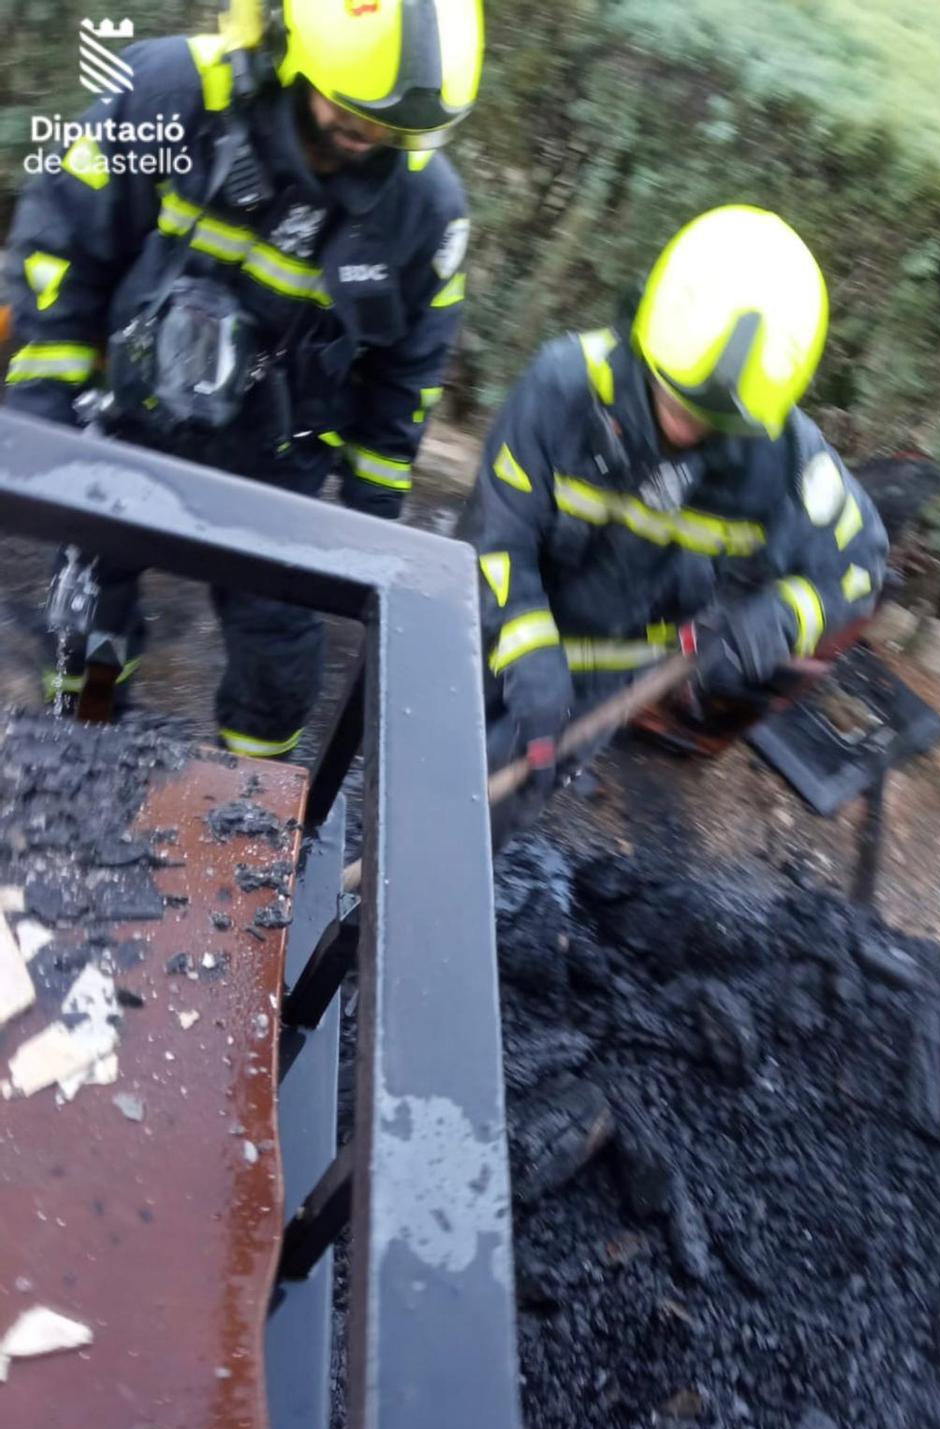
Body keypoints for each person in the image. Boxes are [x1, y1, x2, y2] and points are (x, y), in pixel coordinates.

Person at [6, 0, 483, 757]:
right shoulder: (169, 95)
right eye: (352, 112)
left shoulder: (425, 210)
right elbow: (59, 248)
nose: (372, 139)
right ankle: (86, 749)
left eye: (395, 128)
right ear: (287, 51)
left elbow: (407, 380)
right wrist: (42, 433)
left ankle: (251, 805)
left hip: (278, 466)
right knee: (89, 618)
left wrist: (370, 534)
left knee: (281, 666)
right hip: (127, 432)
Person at [455, 204, 889, 836]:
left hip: (600, 689)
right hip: (485, 637)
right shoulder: (565, 388)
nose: (684, 425)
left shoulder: (787, 458)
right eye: (672, 396)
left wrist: (777, 619)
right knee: (422, 772)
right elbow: (497, 536)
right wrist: (524, 645)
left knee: (483, 824)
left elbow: (858, 570)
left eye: (712, 422)